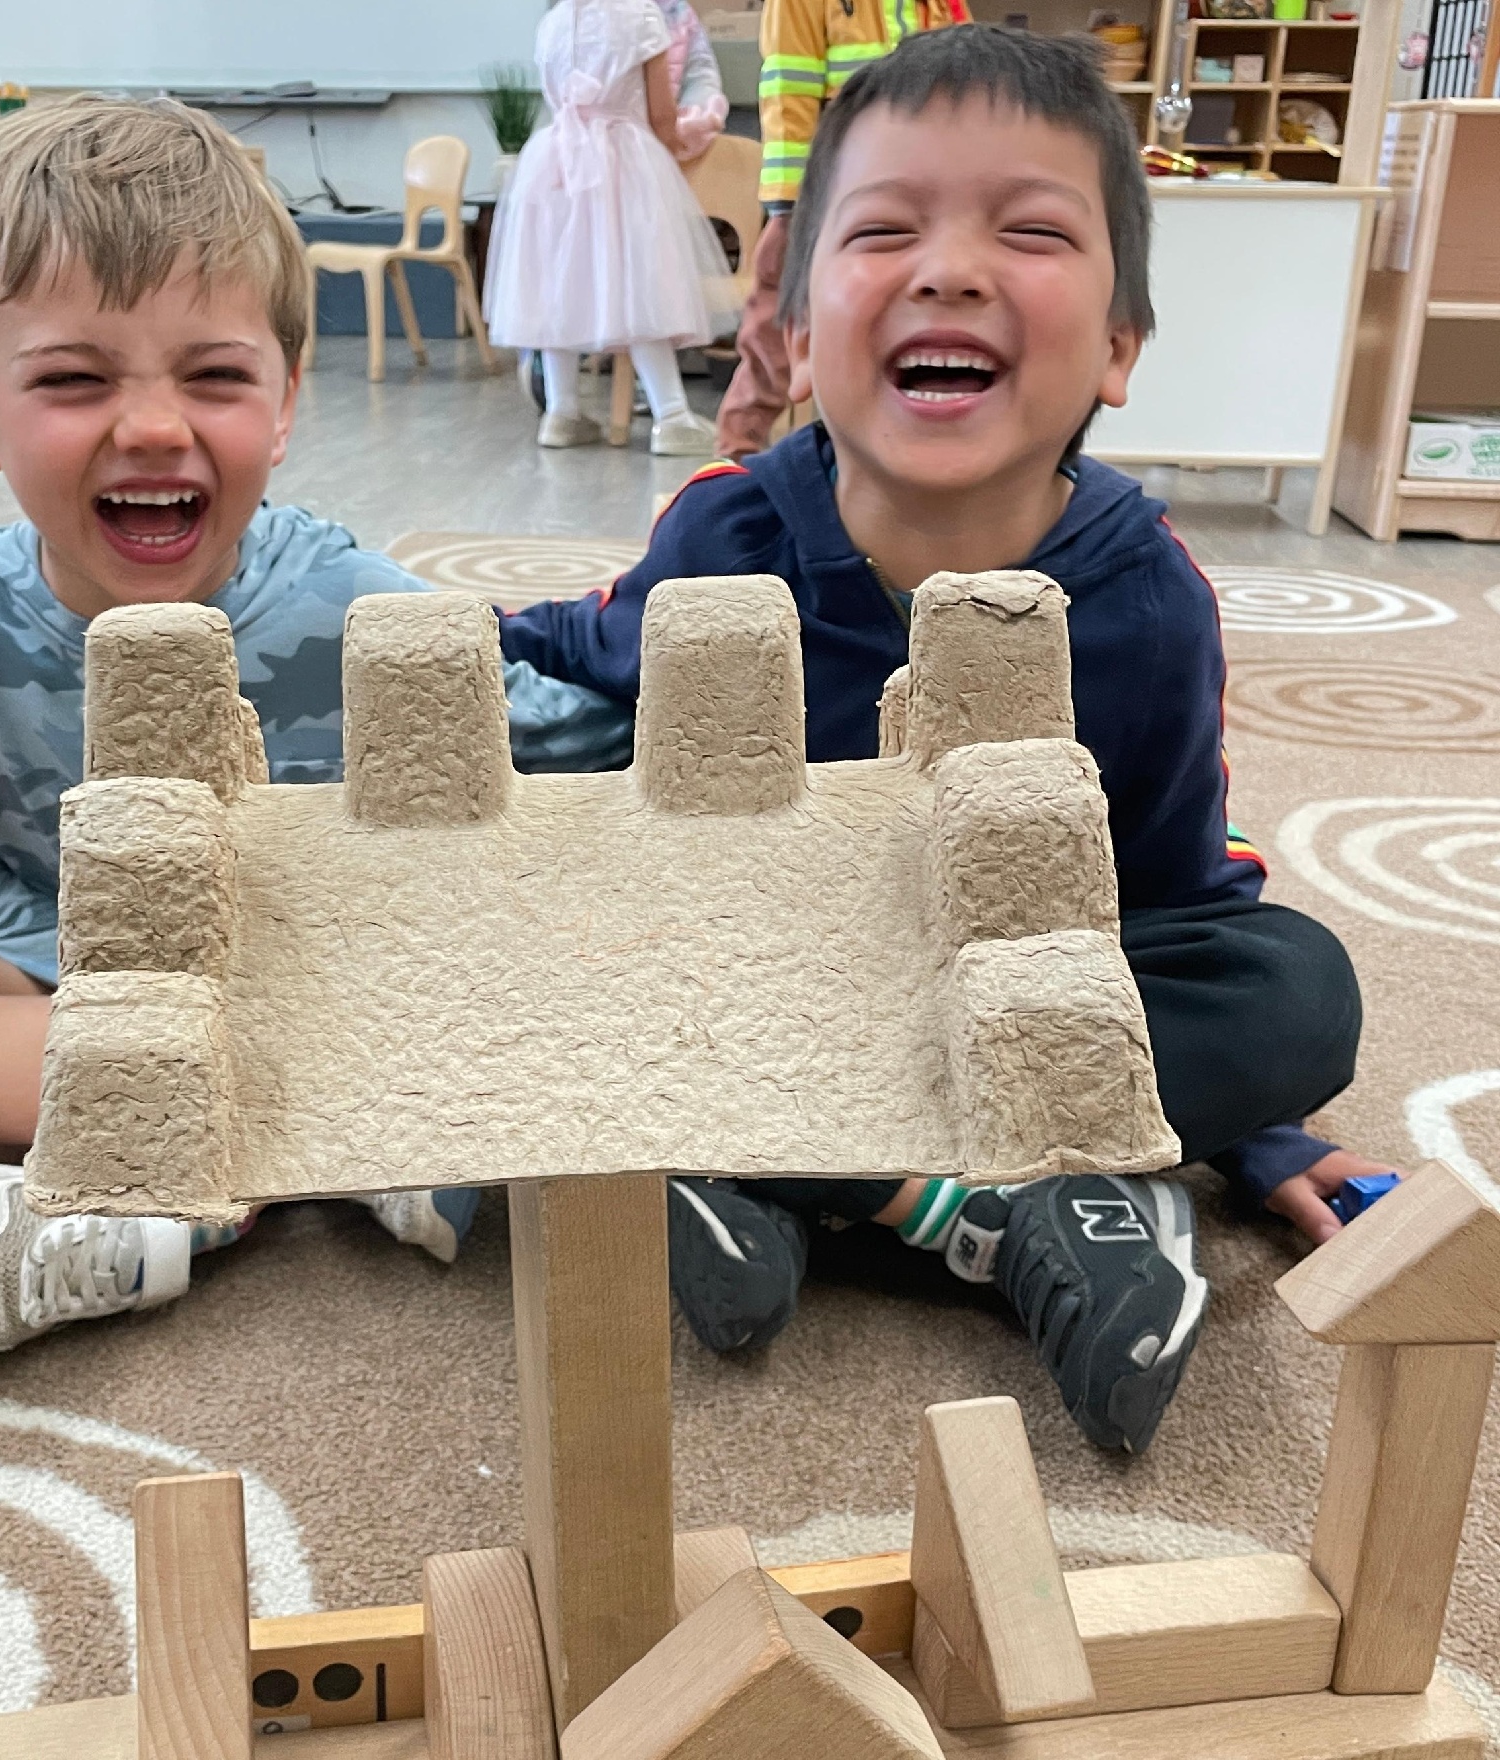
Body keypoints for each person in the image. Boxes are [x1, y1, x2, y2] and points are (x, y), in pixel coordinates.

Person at [499, 25, 1392, 1456]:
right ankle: (1005, 1183)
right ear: (788, 337)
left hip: (1013, 985)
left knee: (1301, 990)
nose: (952, 267)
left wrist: (1262, 1128)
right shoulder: (727, 535)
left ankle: (785, 1165)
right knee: (528, 906)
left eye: (1031, 231)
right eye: (888, 230)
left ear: (1118, 346)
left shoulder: (1150, 601)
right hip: (767, 959)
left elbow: (1173, 896)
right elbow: (568, 646)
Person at [0, 99, 631, 1365]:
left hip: (357, 974)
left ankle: (183, 1194)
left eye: (215, 376)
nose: (156, 426)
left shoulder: (368, 612)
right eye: (72, 377)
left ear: (282, 401)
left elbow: (550, 764)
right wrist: (132, 976)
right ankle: (342, 1139)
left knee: (584, 965)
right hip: (94, 997)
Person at [484, 0, 736, 456]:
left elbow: (555, 98)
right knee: (641, 283)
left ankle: (561, 415)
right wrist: (683, 142)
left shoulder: (552, 23)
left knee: (559, 287)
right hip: (624, 160)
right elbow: (661, 116)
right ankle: (672, 416)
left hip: (557, 161)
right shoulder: (641, 17)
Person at [716, 0, 967, 458]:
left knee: (899, 324)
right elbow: (787, 90)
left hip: (919, 190)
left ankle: (886, 458)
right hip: (829, 187)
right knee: (777, 324)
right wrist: (790, 202)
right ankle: (736, 457)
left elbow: (968, 78)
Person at [658, 0, 730, 160]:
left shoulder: (677, 10)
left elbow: (700, 70)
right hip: (609, 142)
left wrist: (695, 111)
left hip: (671, 140)